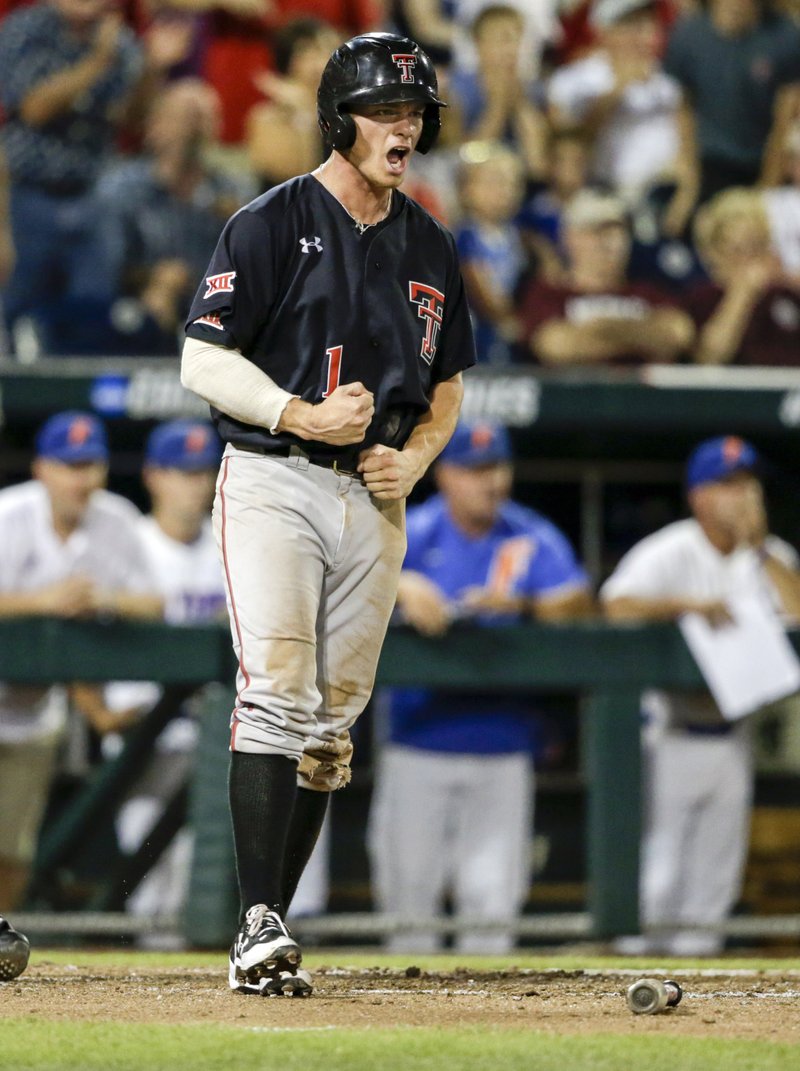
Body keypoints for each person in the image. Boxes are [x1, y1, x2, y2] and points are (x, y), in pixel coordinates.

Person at [180, 31, 475, 996]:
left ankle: (267, 924)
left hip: (373, 495)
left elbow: (448, 388)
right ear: (337, 118)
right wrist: (297, 409)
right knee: (276, 688)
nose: (404, 127)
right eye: (386, 111)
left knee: (331, 729)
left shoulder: (429, 239)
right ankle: (258, 921)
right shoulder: (270, 220)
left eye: (413, 114)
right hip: (276, 472)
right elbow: (203, 358)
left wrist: (417, 459)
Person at [368, 421, 593, 953]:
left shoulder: (526, 534)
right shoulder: (412, 531)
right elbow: (345, 570)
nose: (489, 482)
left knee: (492, 909)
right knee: (408, 903)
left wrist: (524, 605)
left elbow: (580, 601)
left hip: (503, 744)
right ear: (445, 474)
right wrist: (401, 582)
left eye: (496, 468)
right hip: (418, 742)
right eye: (474, 470)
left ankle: (489, 1028)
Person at [601, 435, 800, 955]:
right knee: (659, 872)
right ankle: (628, 980)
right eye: (730, 484)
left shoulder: (773, 555)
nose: (745, 495)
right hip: (670, 731)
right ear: (699, 496)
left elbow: (797, 614)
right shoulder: (672, 548)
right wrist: (684, 606)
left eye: (749, 483)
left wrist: (759, 547)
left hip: (735, 736)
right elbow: (615, 607)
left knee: (716, 877)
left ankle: (695, 996)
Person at [0, 410, 162, 911]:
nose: (81, 477)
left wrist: (105, 600)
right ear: (42, 469)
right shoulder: (9, 515)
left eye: (90, 464)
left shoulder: (115, 519)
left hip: (33, 712)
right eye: (69, 465)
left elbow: (154, 604)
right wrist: (42, 601)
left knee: (11, 851)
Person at [0, 0, 189, 351]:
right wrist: (97, 63)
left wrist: (150, 68)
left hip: (95, 195)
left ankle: (80, 399)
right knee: (19, 309)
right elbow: (33, 108)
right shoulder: (25, 30)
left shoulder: (120, 40)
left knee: (92, 313)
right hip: (31, 193)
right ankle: (19, 400)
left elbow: (132, 121)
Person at [519, 188, 695, 366]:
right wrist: (643, 336)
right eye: (597, 232)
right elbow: (556, 347)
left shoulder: (648, 291)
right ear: (570, 238)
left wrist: (598, 330)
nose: (610, 241)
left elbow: (678, 334)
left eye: (619, 231)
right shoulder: (549, 293)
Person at [547, 0, 684, 210]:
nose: (642, 36)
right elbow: (565, 150)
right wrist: (617, 92)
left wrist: (682, 197)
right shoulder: (573, 81)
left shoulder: (667, 85)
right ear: (603, 31)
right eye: (632, 26)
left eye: (648, 25)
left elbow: (686, 156)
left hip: (659, 198)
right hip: (597, 193)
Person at [663, 0, 800, 206]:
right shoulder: (688, 34)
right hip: (707, 163)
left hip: (762, 161)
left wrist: (766, 187)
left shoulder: (785, 36)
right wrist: (689, 182)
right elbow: (682, 109)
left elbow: (784, 121)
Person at [688, 187, 800, 367]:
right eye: (738, 250)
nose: (747, 260)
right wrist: (742, 292)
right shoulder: (704, 298)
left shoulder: (784, 295)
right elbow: (711, 357)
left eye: (756, 246)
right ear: (715, 253)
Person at [454, 140, 528, 364]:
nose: (504, 191)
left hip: (509, 333)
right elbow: (477, 282)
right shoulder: (465, 236)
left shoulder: (521, 238)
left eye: (512, 184)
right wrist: (507, 318)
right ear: (467, 190)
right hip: (476, 331)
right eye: (494, 183)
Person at [246, 17, 340, 191]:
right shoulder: (267, 118)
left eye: (324, 50)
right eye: (306, 53)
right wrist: (303, 117)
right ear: (287, 63)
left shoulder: (347, 114)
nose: (319, 62)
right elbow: (299, 186)